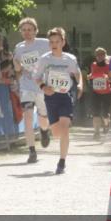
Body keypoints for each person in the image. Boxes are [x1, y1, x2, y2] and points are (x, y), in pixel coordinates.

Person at [35, 27, 83, 174]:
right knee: (56, 133)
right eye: (51, 42)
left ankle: (62, 161)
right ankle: (47, 132)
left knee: (65, 128)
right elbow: (36, 77)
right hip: (51, 97)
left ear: (63, 42)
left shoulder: (70, 58)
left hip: (65, 96)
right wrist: (43, 86)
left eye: (57, 41)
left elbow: (77, 73)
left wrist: (80, 84)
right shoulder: (45, 59)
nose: (54, 44)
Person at [13, 17, 52, 163]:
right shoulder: (19, 47)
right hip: (26, 86)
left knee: (43, 117)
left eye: (30, 29)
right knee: (28, 117)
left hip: (42, 86)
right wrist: (16, 65)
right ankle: (32, 151)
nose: (27, 32)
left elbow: (54, 57)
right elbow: (18, 69)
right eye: (24, 30)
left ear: (36, 31)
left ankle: (44, 131)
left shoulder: (44, 44)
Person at [87, 47, 111, 140]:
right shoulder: (93, 65)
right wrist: (89, 76)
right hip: (96, 92)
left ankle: (106, 124)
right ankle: (96, 132)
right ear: (96, 56)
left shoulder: (108, 66)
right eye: (98, 55)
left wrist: (108, 78)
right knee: (96, 113)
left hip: (106, 92)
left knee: (105, 114)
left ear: (105, 56)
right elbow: (92, 75)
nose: (100, 57)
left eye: (102, 55)